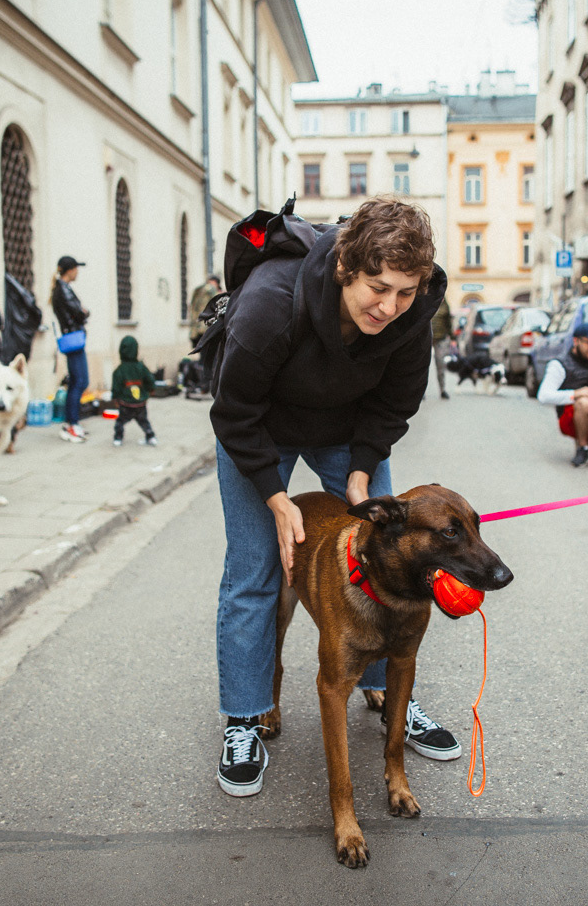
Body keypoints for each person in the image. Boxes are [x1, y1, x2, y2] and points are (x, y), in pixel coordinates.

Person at [210, 196, 461, 798]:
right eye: (378, 288)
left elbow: (396, 401)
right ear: (347, 267)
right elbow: (233, 412)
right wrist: (275, 497)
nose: (389, 306)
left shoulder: (411, 308)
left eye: (404, 292)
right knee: (255, 570)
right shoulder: (271, 304)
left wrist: (361, 468)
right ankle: (244, 716)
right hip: (261, 427)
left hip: (346, 431)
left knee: (387, 556)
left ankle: (385, 690)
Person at [536, 321, 588, 466]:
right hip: (570, 417)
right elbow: (543, 396)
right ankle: (582, 447)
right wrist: (576, 393)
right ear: (576, 341)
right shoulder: (559, 364)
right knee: (585, 401)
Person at [50, 255, 90, 443]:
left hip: (72, 338)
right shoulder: (63, 290)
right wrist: (84, 312)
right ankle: (71, 424)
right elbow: (78, 313)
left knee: (77, 380)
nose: (78, 272)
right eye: (76, 268)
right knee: (80, 380)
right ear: (70, 270)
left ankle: (72, 423)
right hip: (73, 339)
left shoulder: (62, 289)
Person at [109, 335, 158, 447]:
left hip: (125, 403)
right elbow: (150, 380)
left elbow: (116, 387)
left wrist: (115, 398)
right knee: (143, 421)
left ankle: (118, 438)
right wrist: (149, 391)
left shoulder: (119, 370)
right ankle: (150, 436)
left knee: (120, 421)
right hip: (140, 403)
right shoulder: (141, 367)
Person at [429, 296, 453, 399]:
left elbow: (448, 322)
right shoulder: (427, 301)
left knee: (440, 365)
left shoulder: (445, 305)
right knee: (423, 365)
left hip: (441, 339)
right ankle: (420, 392)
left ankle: (442, 390)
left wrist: (452, 337)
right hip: (426, 338)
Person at [188, 274, 222, 344]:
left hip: (198, 328)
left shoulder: (198, 290)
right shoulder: (211, 290)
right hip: (209, 328)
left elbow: (193, 308)